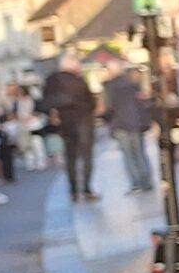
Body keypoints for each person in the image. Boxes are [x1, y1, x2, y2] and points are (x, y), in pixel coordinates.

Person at [39, 52, 99, 201]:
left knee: (70, 157)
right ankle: (86, 188)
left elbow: (44, 103)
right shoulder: (79, 81)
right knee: (86, 157)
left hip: (65, 123)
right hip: (84, 121)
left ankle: (73, 191)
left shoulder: (51, 80)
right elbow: (91, 102)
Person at [101, 63, 155, 195]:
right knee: (140, 153)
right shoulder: (132, 84)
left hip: (120, 125)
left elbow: (108, 108)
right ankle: (147, 181)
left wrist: (105, 119)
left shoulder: (109, 87)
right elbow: (142, 103)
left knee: (128, 156)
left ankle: (136, 184)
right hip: (135, 124)